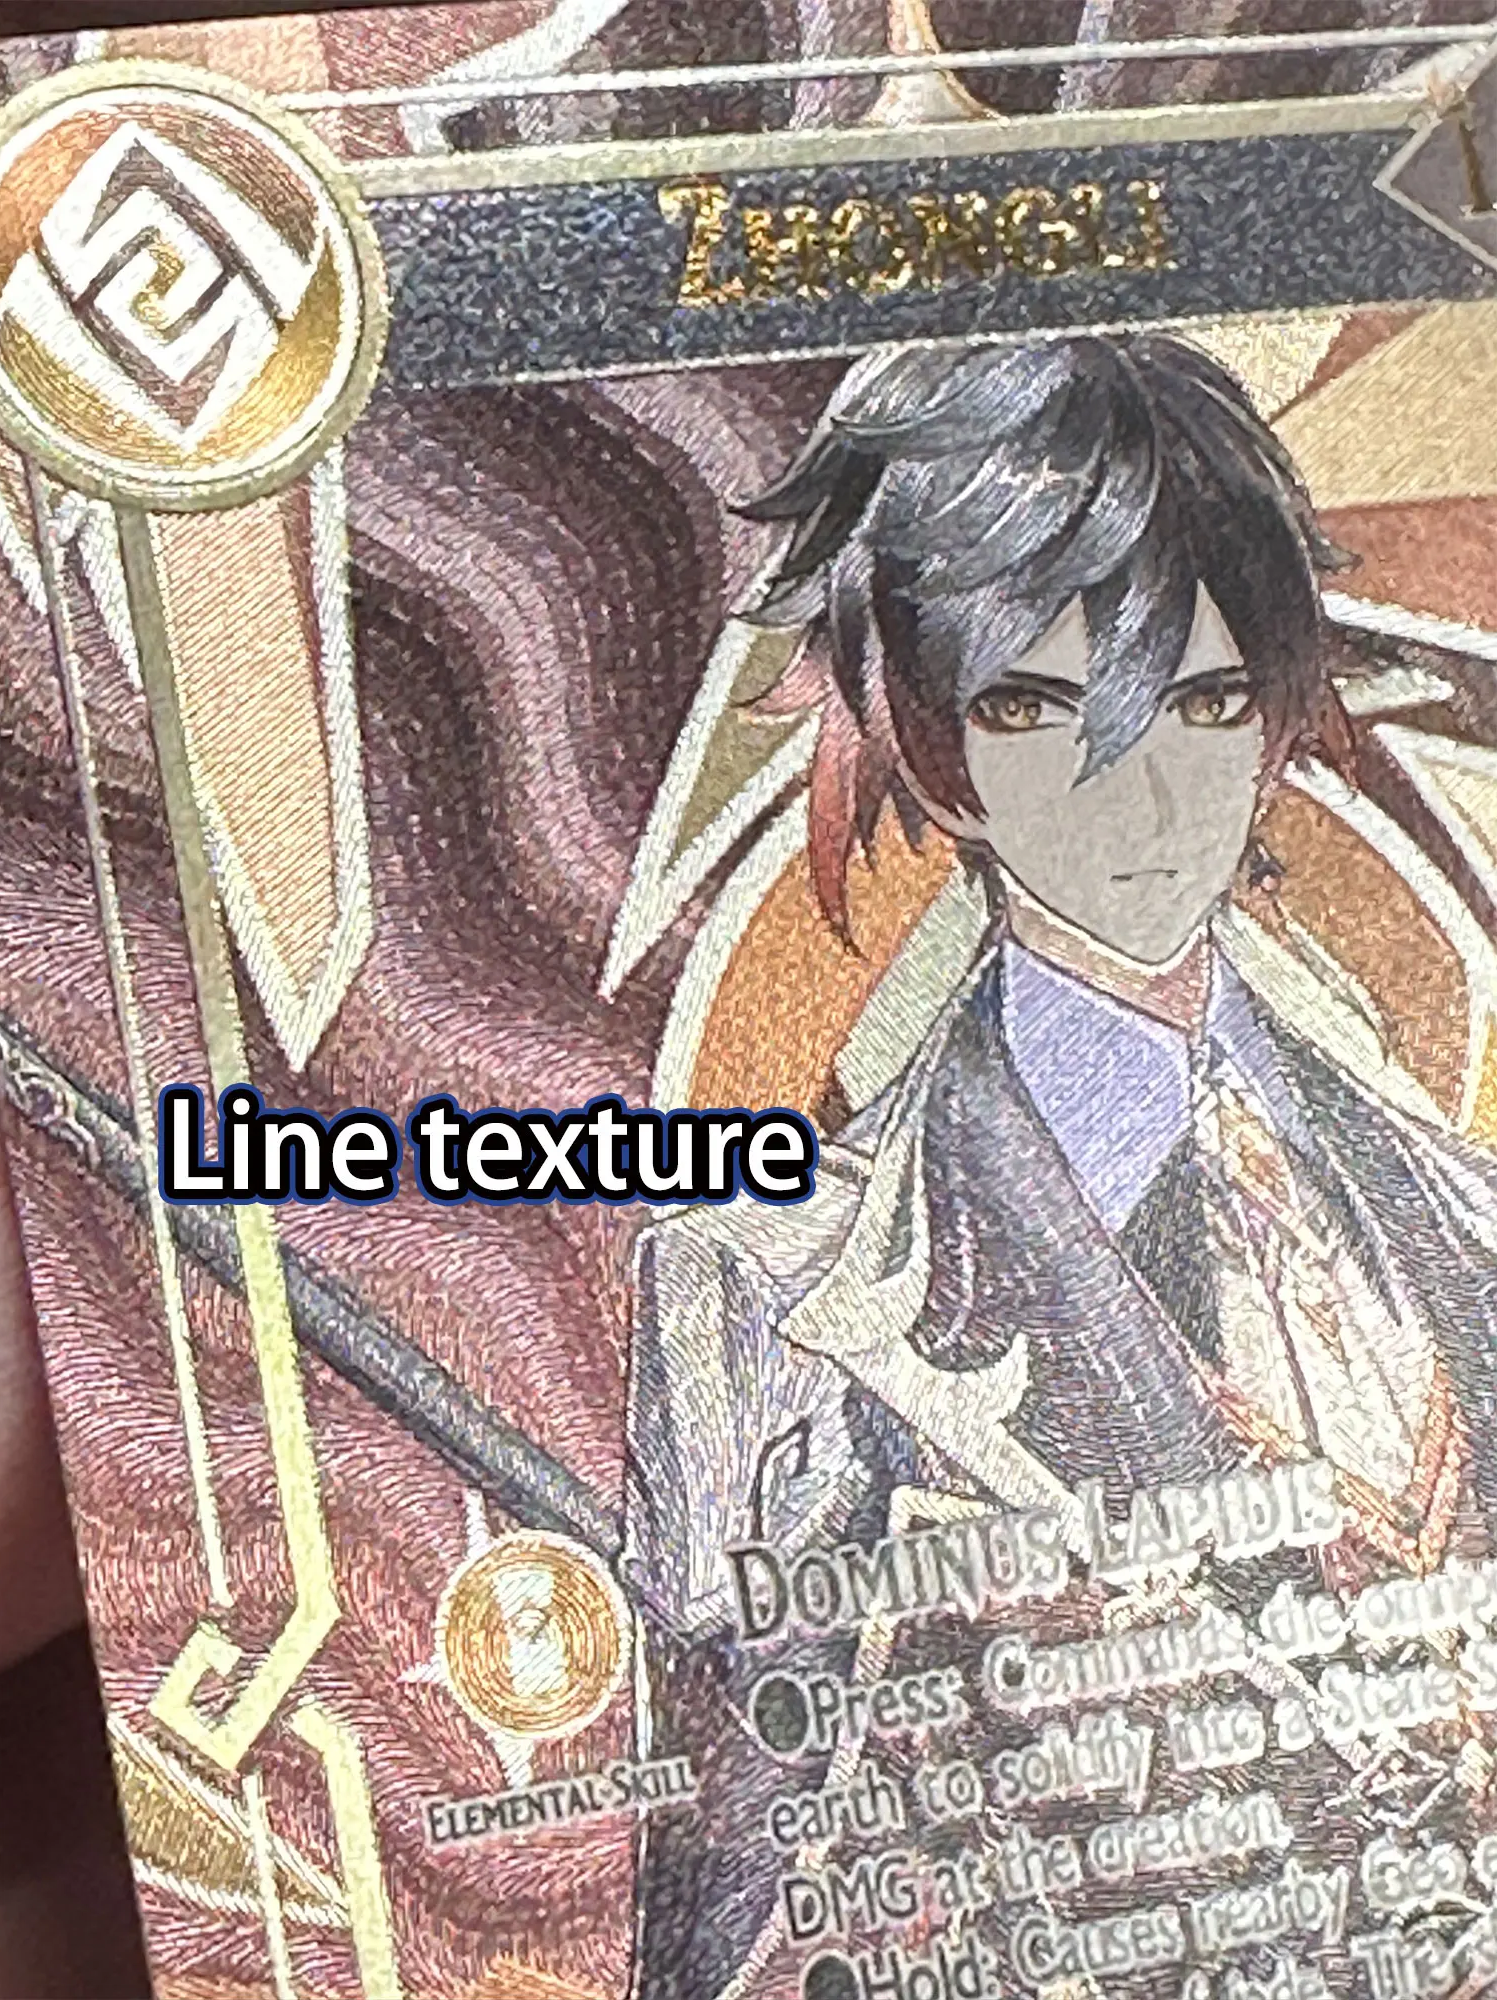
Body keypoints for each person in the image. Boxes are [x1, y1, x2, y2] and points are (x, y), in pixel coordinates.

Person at [621, 332, 1497, 1998]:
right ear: (934, 747)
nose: (1149, 804)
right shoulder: (777, 1289)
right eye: (1041, 712)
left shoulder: (1457, 1205)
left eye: (1206, 703)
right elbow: (733, 1907)